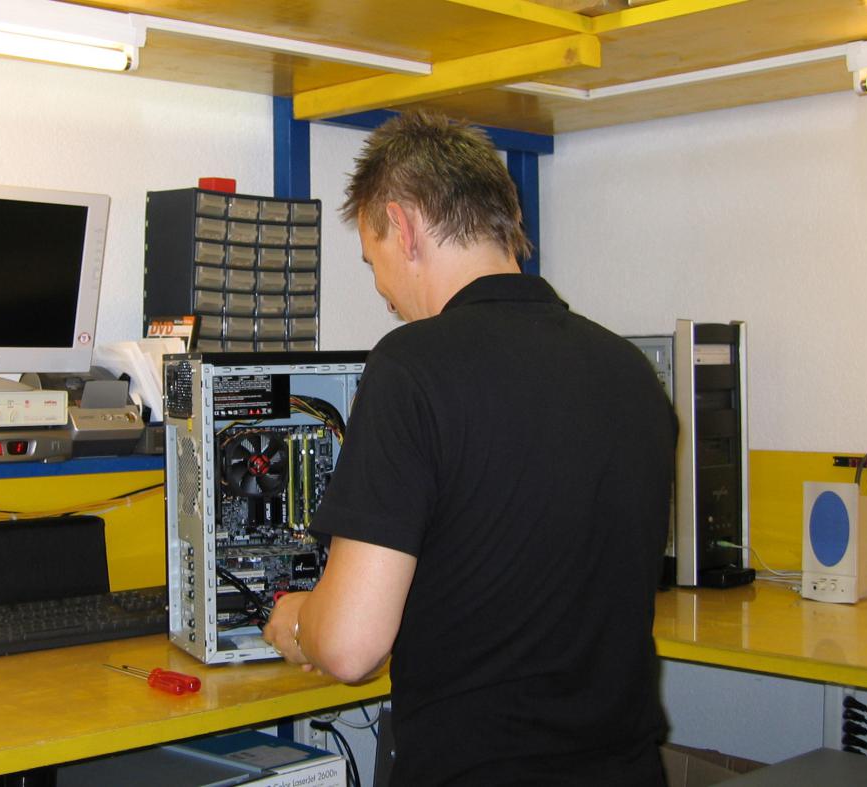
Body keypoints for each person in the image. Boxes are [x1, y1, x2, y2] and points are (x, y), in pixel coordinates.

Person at [262, 110, 677, 786]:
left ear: (402, 226)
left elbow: (350, 648)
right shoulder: (631, 373)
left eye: (372, 261)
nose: (382, 290)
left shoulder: (410, 367)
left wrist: (299, 620)